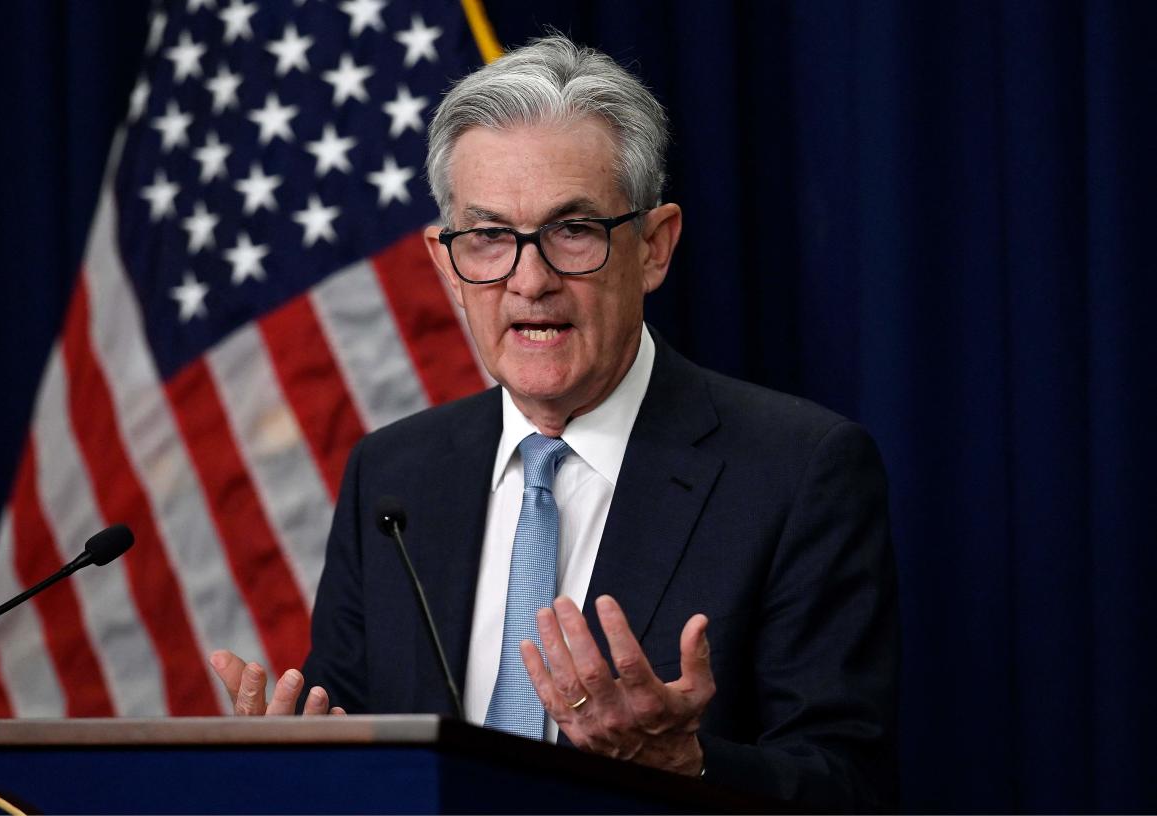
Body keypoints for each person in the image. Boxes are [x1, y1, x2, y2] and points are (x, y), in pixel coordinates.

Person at [210, 34, 898, 810]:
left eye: (573, 231)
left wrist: (686, 765)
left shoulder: (797, 470)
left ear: (653, 246)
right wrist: (297, 761)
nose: (528, 281)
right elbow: (359, 740)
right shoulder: (393, 474)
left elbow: (847, 786)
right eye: (489, 237)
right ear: (446, 262)